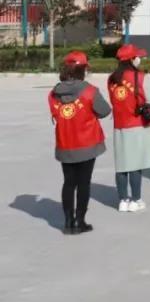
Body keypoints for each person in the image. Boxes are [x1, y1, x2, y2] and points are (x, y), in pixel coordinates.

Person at [49, 51, 111, 234]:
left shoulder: (54, 93)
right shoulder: (90, 91)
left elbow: (56, 114)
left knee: (68, 182)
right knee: (84, 183)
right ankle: (80, 220)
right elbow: (105, 111)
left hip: (65, 143)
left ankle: (68, 221)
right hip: (87, 143)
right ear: (82, 69)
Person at [107, 44, 150, 213]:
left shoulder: (112, 78)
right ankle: (135, 199)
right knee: (135, 163)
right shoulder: (139, 77)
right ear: (131, 59)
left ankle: (122, 200)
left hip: (119, 125)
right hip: (136, 125)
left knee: (122, 164)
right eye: (138, 56)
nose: (140, 59)